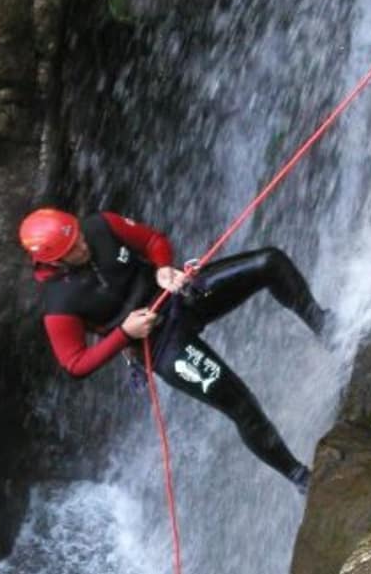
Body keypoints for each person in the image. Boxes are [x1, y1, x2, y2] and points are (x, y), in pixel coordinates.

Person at [18, 207, 330, 494]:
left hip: (180, 296)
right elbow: (74, 364)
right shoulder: (59, 306)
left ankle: (325, 327)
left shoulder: (101, 226)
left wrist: (163, 268)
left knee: (268, 262)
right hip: (160, 344)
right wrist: (124, 334)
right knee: (241, 405)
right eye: (73, 249)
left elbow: (154, 240)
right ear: (54, 261)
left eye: (79, 237)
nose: (83, 245)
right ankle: (301, 478)